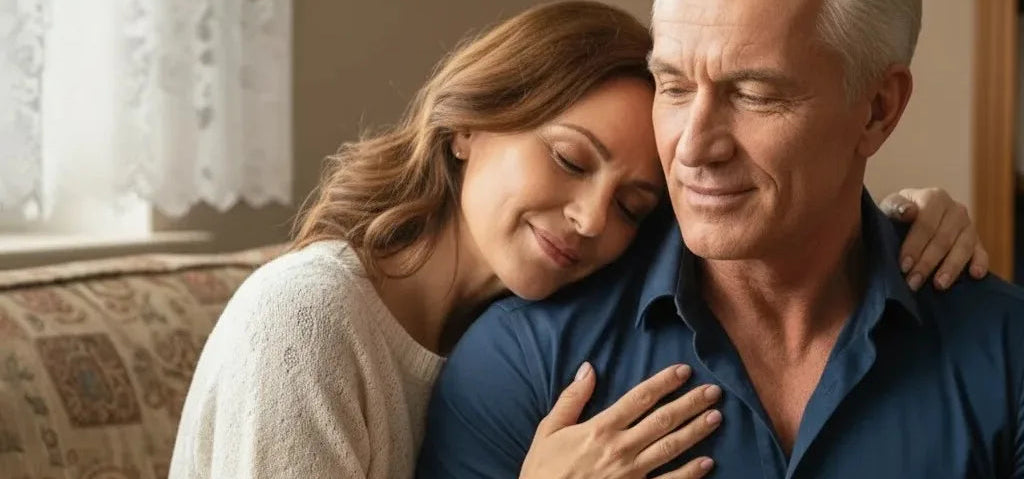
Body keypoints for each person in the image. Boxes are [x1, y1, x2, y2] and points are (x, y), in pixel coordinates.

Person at [169, 2, 988, 478]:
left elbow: (769, 215)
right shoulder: (306, 324)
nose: (594, 220)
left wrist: (898, 225)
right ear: (466, 125)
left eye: (634, 204)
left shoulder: (540, 324)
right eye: (568, 159)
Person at [416, 0, 1024, 478]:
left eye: (754, 95)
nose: (693, 147)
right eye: (674, 87)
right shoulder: (521, 361)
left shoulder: (1006, 354)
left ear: (877, 110)